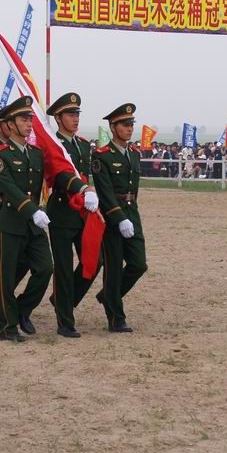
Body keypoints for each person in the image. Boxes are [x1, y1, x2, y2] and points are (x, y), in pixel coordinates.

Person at [0, 96, 54, 343]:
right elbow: (7, 186)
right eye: (23, 119)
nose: (29, 123)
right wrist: (32, 210)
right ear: (9, 124)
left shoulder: (36, 154)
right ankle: (7, 327)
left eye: (30, 119)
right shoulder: (0, 155)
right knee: (6, 277)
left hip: (33, 223)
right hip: (11, 222)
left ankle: (21, 310)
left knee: (45, 268)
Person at [45, 92, 100, 338]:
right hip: (61, 212)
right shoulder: (53, 145)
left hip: (82, 213)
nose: (75, 118)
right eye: (70, 114)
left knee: (93, 261)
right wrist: (82, 189)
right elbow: (59, 174)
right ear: (58, 117)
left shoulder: (81, 144)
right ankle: (65, 321)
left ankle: (63, 300)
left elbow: (86, 175)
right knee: (64, 268)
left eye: (77, 114)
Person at [92, 103, 148, 333]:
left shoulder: (134, 154)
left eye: (131, 125)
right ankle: (116, 318)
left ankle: (108, 295)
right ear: (113, 127)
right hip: (111, 216)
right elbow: (104, 191)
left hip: (131, 212)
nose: (129, 129)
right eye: (124, 125)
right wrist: (117, 217)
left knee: (138, 264)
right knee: (113, 268)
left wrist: (129, 214)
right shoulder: (102, 156)